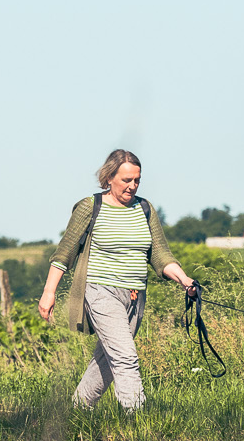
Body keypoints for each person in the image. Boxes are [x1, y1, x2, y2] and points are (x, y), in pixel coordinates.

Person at [36, 149, 196, 413]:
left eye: (137, 181)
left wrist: (184, 279)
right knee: (125, 356)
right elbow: (64, 253)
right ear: (109, 177)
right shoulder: (90, 206)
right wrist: (49, 292)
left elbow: (160, 254)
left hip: (135, 296)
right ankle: (138, 422)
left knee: (109, 359)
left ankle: (78, 411)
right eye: (126, 180)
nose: (132, 186)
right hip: (100, 292)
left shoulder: (144, 208)